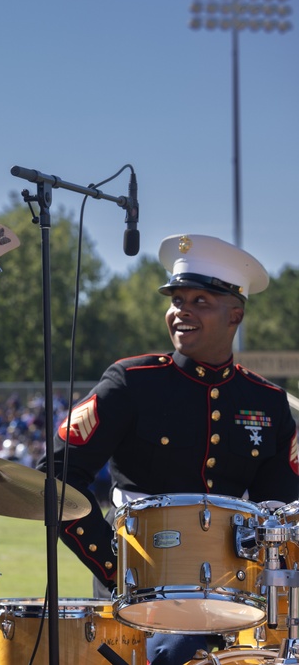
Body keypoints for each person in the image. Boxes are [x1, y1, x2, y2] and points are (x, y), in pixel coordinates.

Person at [40, 233, 298, 664]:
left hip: (237, 592)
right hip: (138, 588)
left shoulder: (266, 401)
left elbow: (282, 509)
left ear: (235, 315)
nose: (182, 312)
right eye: (177, 300)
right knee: (177, 653)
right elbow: (58, 478)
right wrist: (118, 568)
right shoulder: (131, 382)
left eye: (201, 301)